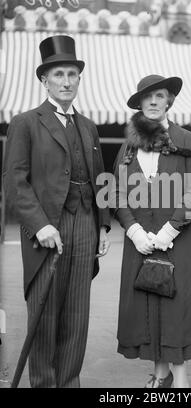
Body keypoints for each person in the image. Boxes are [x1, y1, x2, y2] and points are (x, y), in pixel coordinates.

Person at [3, 35, 110, 388]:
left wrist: (104, 226)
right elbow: (15, 180)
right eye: (58, 75)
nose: (66, 82)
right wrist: (40, 225)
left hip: (85, 225)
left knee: (77, 316)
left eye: (72, 75)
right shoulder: (26, 122)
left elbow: (99, 177)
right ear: (44, 80)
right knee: (45, 316)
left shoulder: (89, 126)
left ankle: (69, 383)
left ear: (79, 79)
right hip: (48, 227)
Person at [112, 74, 191, 388]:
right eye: (148, 97)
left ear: (169, 101)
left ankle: (181, 379)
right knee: (148, 304)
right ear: (140, 103)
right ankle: (161, 374)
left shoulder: (185, 139)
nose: (154, 102)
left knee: (176, 306)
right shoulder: (129, 146)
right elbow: (115, 192)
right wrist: (133, 231)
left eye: (160, 96)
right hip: (141, 242)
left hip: (178, 241)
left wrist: (171, 229)